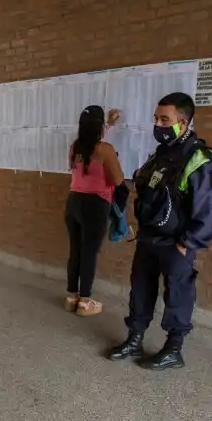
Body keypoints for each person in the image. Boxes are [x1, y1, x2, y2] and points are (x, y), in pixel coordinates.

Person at [106, 92, 212, 370]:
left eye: (164, 119)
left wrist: (187, 243)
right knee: (141, 289)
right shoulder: (161, 154)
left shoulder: (201, 160)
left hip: (177, 243)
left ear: (184, 123)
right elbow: (145, 184)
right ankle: (135, 339)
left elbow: (210, 211)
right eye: (156, 118)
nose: (158, 124)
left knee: (178, 294)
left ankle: (174, 348)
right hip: (149, 238)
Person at [64, 106, 124, 316]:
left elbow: (92, 148)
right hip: (95, 205)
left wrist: (108, 125)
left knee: (76, 250)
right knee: (90, 253)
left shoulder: (75, 147)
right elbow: (118, 179)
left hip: (73, 203)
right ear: (99, 126)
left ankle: (72, 297)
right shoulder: (105, 149)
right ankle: (85, 301)